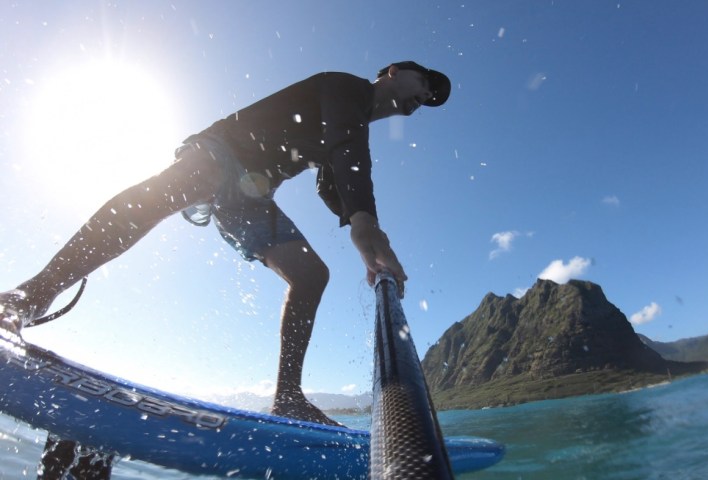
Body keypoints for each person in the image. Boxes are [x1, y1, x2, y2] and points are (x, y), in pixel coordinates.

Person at [1, 61, 450, 428]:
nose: (425, 95)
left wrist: (361, 225)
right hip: (222, 150)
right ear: (391, 71)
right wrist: (364, 223)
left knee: (313, 274)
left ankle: (288, 398)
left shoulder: (349, 124)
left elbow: (332, 181)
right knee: (186, 183)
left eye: (430, 98)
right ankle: (28, 297)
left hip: (252, 195)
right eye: (425, 82)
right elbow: (347, 148)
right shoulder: (347, 86)